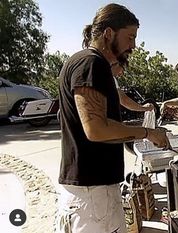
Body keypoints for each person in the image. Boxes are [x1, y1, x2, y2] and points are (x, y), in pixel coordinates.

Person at [57, 3, 171, 233]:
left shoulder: (86, 62)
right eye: (130, 37)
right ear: (109, 33)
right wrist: (148, 133)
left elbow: (100, 121)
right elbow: (96, 129)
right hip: (92, 196)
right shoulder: (92, 63)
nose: (134, 45)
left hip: (93, 194)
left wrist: (139, 121)